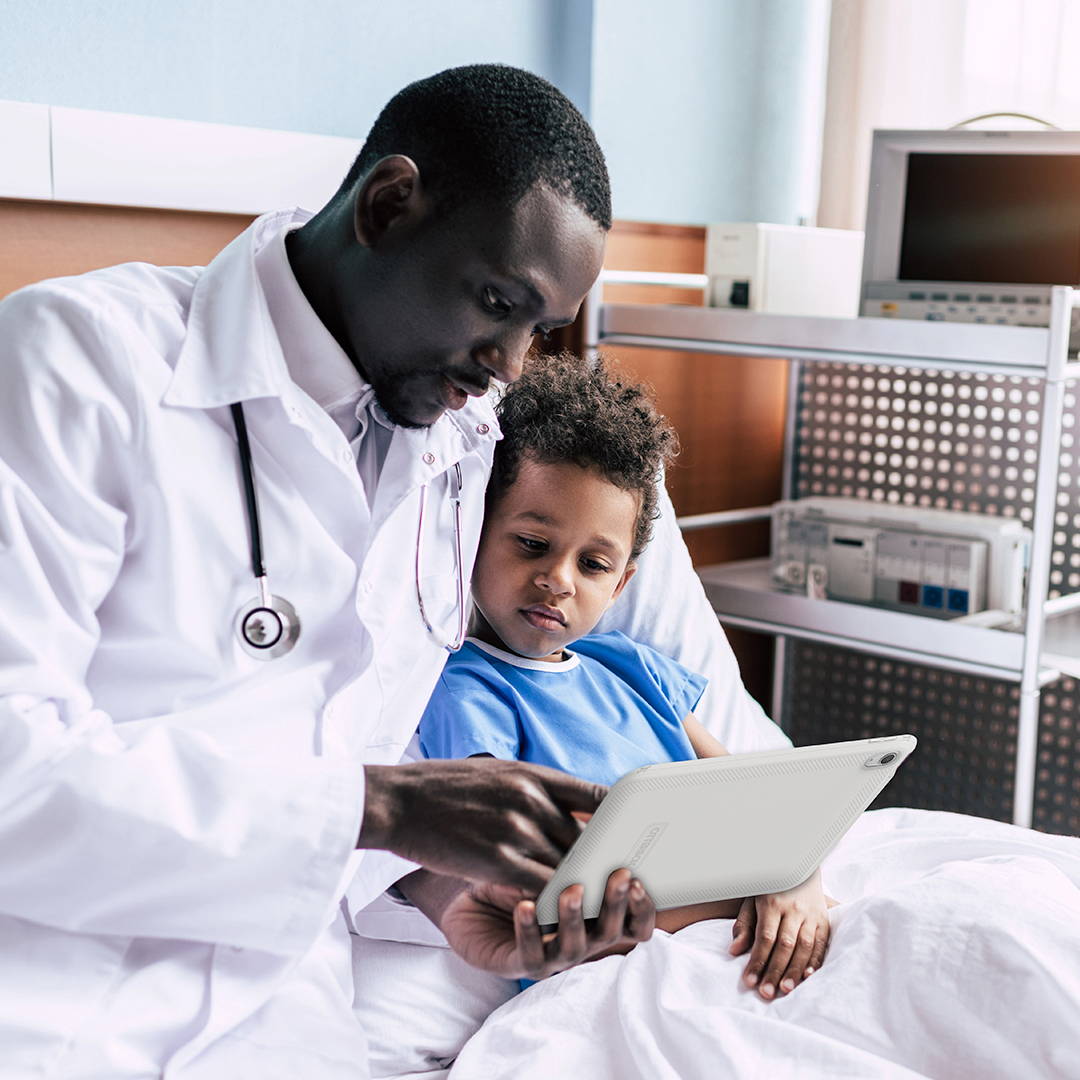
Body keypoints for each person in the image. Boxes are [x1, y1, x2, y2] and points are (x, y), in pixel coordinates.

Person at [0, 65, 783, 1077]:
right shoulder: (81, 362)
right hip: (47, 1004)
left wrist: (452, 900)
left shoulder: (460, 452)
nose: (506, 366)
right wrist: (384, 805)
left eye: (536, 331)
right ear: (388, 205)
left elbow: (339, 752)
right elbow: (14, 772)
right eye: (496, 303)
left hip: (292, 1018)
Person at [416, 353, 830, 1001]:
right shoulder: (468, 689)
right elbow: (524, 873)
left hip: (745, 932)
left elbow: (755, 797)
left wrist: (794, 875)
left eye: (594, 563)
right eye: (531, 544)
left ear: (623, 584)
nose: (558, 580)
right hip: (618, 961)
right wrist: (747, 888)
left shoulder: (634, 670)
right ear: (474, 537)